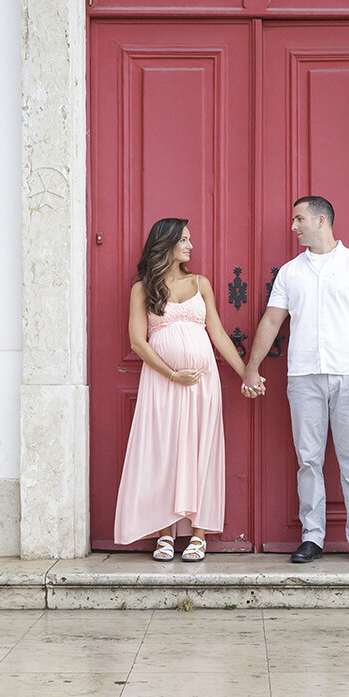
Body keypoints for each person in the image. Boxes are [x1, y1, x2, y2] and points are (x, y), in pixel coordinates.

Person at [240, 195, 349, 565]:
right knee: (309, 459)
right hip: (303, 376)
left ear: (321, 221)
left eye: (298, 219)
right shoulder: (291, 272)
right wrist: (251, 367)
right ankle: (312, 536)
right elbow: (272, 321)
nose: (293, 226)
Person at [114, 217, 247, 560]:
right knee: (164, 453)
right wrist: (172, 374)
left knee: (200, 451)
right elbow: (138, 342)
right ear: (167, 244)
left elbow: (217, 334)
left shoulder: (201, 283)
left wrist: (246, 373)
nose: (190, 246)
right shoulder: (143, 288)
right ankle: (165, 533)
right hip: (162, 383)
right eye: (184, 240)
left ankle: (198, 534)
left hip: (203, 384)